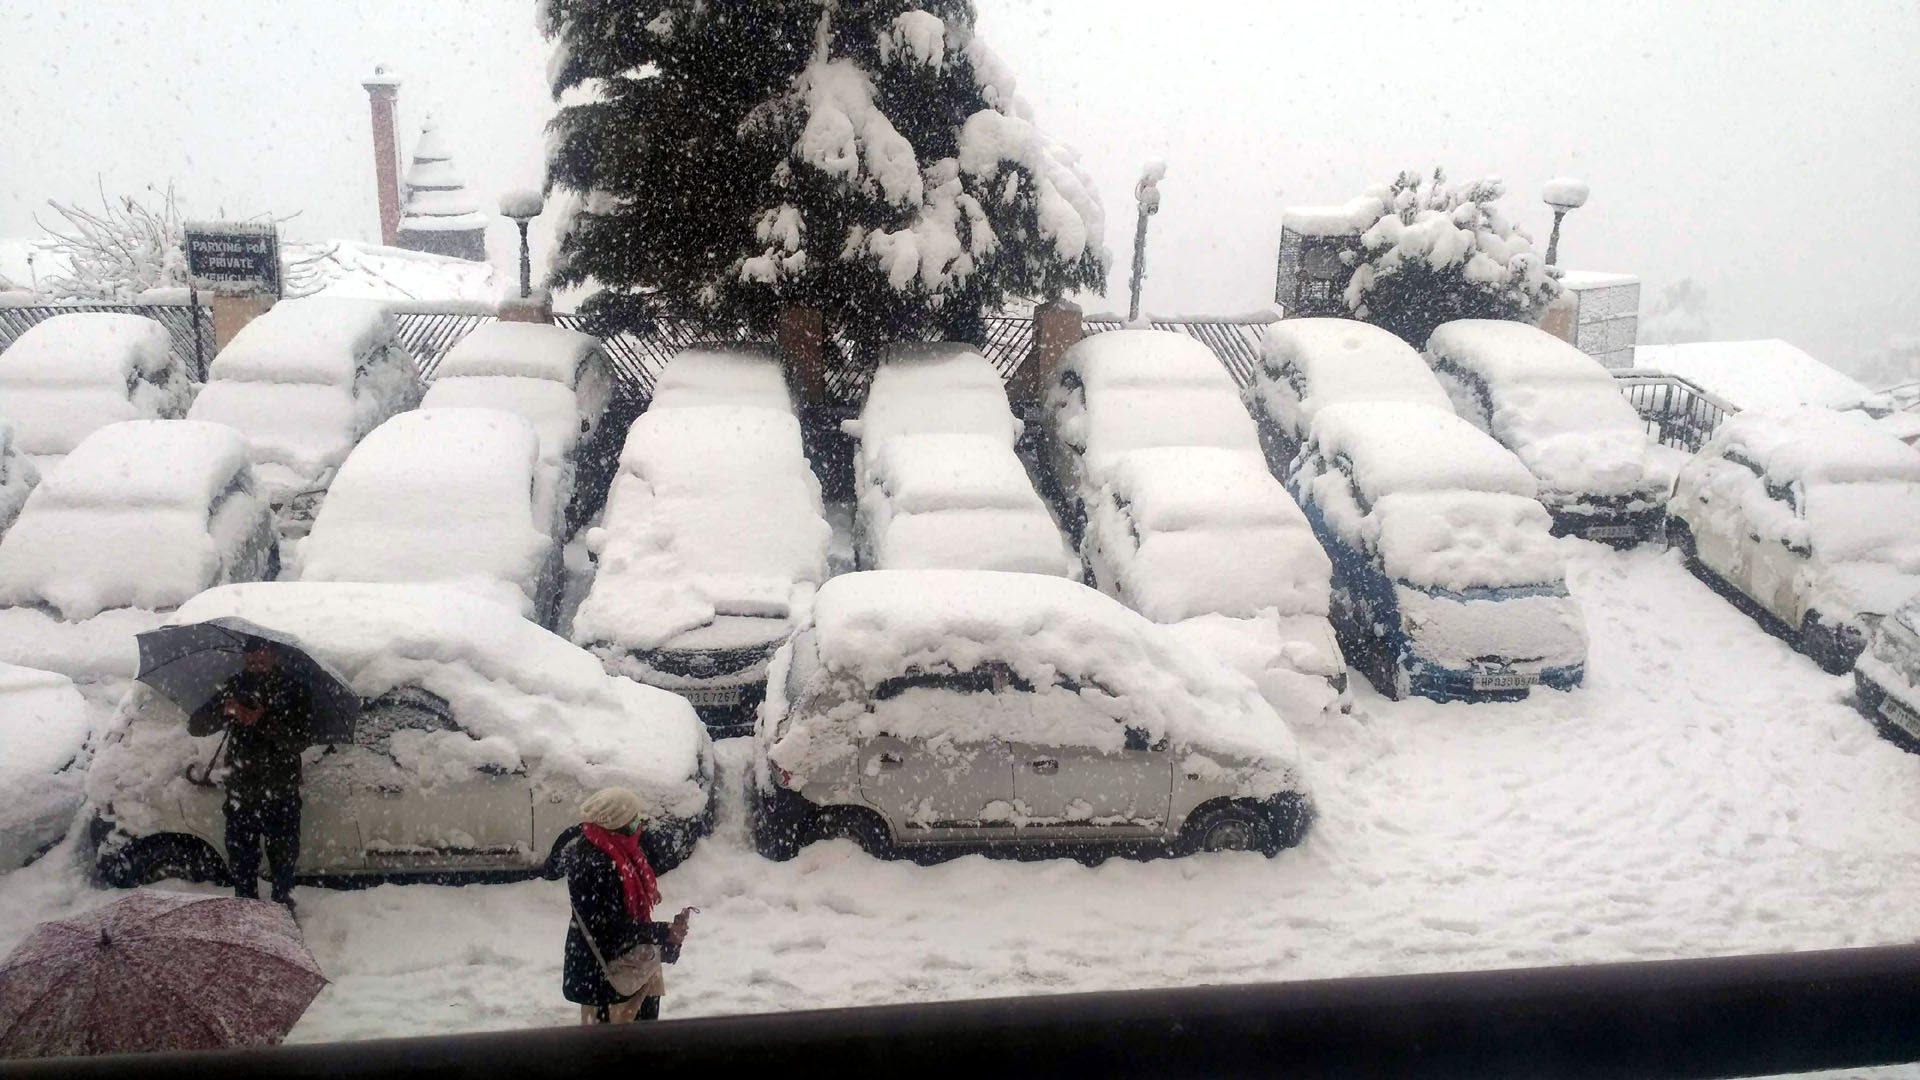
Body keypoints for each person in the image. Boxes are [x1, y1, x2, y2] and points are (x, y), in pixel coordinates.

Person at [562, 788, 693, 1024]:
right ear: (615, 824)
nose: (638, 825)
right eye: (632, 821)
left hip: (617, 966)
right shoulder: (597, 865)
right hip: (606, 973)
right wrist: (663, 932)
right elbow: (610, 931)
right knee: (614, 1041)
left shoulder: (610, 847)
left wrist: (641, 893)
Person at [217, 640, 313, 910]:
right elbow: (196, 726)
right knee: (242, 864)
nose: (256, 666)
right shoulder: (234, 685)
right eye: (251, 661)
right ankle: (247, 919)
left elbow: (300, 741)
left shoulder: (294, 689)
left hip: (280, 792)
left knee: (283, 863)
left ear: (274, 657)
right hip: (241, 792)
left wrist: (262, 720)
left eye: (262, 660)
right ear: (245, 658)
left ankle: (282, 917)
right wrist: (226, 709)